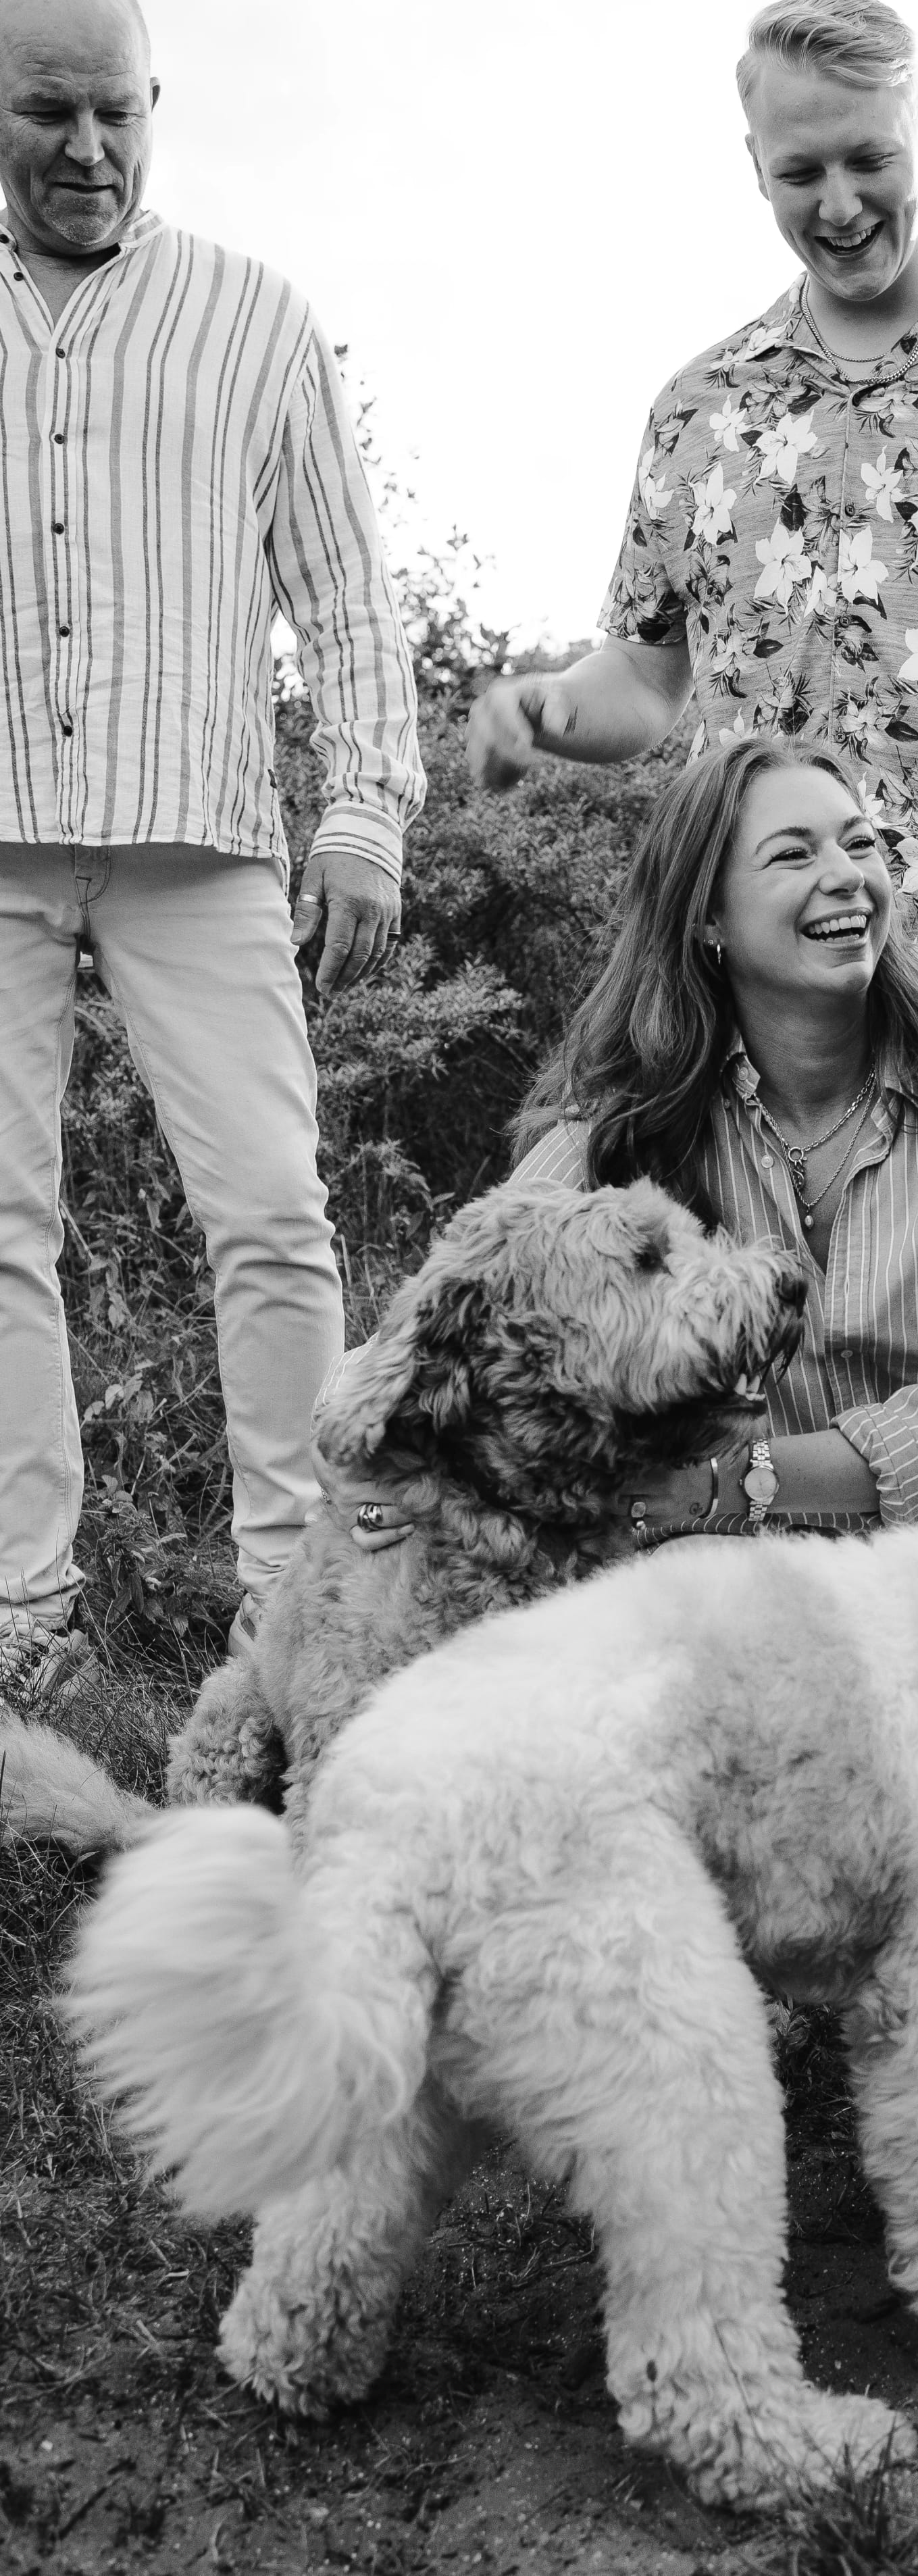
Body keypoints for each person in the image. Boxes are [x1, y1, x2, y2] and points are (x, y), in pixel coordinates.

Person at [465, 0, 918, 1026]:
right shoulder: (694, 411)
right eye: (802, 174)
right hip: (756, 991)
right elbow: (645, 672)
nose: (841, 206)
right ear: (755, 167)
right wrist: (551, 711)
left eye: (870, 161)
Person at [0, 0, 423, 1700]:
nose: (87, 149)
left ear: (157, 105)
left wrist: (365, 814)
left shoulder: (254, 317)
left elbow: (346, 594)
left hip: (205, 836)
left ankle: (295, 1600)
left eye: (115, 113)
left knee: (269, 1211)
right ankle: (26, 1614)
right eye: (47, 113)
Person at [509, 733, 918, 1534]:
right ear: (708, 920)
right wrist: (390, 1479)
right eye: (792, 856)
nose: (846, 876)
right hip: (722, 1588)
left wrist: (727, 1484)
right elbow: (469, 1299)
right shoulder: (631, 1116)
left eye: (860, 845)